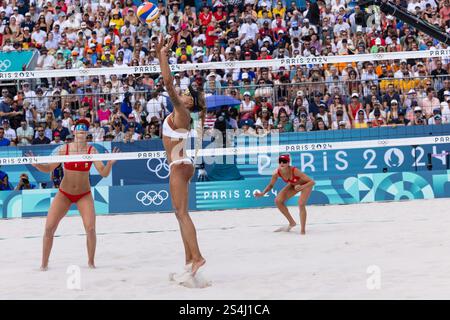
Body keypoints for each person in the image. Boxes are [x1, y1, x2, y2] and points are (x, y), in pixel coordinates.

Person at [29, 119, 118, 271]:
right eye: (79, 129)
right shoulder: (64, 149)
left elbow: (103, 173)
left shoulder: (92, 151)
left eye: (84, 129)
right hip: (64, 194)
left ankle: (91, 263)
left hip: (84, 194)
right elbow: (49, 167)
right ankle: (44, 264)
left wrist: (109, 164)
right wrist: (37, 165)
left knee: (90, 229)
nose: (82, 131)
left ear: (87, 134)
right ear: (74, 132)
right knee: (49, 228)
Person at [156, 34, 206, 277]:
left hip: (179, 164)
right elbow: (167, 79)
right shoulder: (184, 113)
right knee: (179, 214)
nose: (183, 93)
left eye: (187, 93)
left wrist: (164, 56)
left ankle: (197, 257)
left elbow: (167, 82)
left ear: (190, 101)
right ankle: (189, 257)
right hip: (181, 163)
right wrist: (159, 52)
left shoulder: (182, 111)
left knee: (181, 213)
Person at [254, 154, 315, 235]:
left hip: (306, 185)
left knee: (301, 203)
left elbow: (312, 182)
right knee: (278, 201)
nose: (282, 163)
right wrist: (262, 193)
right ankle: (292, 222)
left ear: (288, 163)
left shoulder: (295, 170)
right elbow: (271, 185)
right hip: (293, 185)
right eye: (280, 161)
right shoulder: (276, 172)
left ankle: (303, 230)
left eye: (284, 161)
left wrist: (302, 187)